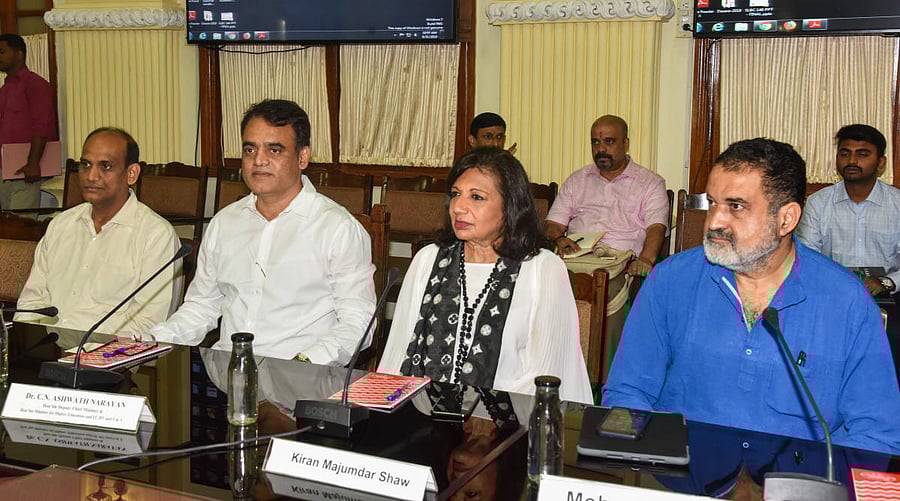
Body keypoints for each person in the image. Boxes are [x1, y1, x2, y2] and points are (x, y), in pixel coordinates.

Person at [603, 138, 900, 454]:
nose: (714, 222)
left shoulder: (845, 300)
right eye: (712, 203)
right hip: (681, 477)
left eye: (736, 206)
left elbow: (876, 434)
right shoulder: (671, 281)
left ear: (786, 219)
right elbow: (628, 392)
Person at [150, 99, 376, 364]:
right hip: (227, 378)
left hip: (301, 380)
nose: (259, 160)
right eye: (250, 149)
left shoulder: (338, 229)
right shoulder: (225, 223)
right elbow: (201, 308)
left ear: (302, 157)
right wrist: (149, 342)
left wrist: (304, 363)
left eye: (275, 150)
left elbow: (359, 322)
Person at [378, 147, 593, 404]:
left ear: (510, 205)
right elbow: (397, 356)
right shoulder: (428, 259)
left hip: (506, 426)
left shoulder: (542, 269)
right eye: (456, 194)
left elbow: (546, 374)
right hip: (423, 419)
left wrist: (477, 416)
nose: (459, 207)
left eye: (477, 197)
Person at [16, 128, 180, 335]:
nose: (91, 176)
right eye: (85, 165)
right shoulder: (61, 225)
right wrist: (28, 345)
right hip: (47, 350)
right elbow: (31, 302)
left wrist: (88, 354)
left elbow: (148, 323)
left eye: (106, 166)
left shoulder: (156, 236)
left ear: (131, 173)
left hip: (110, 360)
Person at [544, 115, 668, 276]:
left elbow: (656, 228)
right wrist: (559, 239)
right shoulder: (577, 179)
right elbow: (552, 224)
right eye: (595, 142)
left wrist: (645, 260)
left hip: (621, 265)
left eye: (609, 141)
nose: (601, 149)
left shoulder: (651, 183)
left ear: (626, 143)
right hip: (575, 261)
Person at [797, 124, 900, 297]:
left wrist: (885, 283)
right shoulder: (818, 203)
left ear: (881, 163)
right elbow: (807, 257)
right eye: (845, 154)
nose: (852, 161)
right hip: (831, 292)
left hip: (888, 294)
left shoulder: (897, 204)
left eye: (862, 154)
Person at [0, 34, 58, 210]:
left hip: (25, 170)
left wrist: (33, 163)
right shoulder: (5, 89)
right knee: (7, 227)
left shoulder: (35, 84)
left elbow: (41, 125)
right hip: (4, 170)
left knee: (20, 226)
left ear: (19, 54)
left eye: (2, 52)